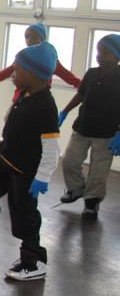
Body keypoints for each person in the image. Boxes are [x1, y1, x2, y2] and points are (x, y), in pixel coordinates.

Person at [0, 42, 60, 282]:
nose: (12, 73)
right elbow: (16, 125)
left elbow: (51, 146)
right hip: (5, 159)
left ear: (34, 74)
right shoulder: (25, 93)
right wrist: (2, 143)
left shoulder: (45, 105)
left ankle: (34, 260)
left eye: (17, 69)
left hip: (25, 171)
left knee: (23, 213)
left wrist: (42, 177)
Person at [57, 33, 120, 220]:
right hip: (82, 128)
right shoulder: (91, 73)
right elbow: (80, 94)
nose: (100, 56)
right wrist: (65, 111)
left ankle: (92, 202)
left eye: (105, 52)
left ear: (117, 55)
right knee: (69, 161)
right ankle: (75, 188)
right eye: (98, 52)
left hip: (107, 133)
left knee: (98, 172)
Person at [0, 22, 81, 101]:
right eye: (26, 37)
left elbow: (66, 75)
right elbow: (10, 70)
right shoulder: (24, 56)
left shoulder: (49, 59)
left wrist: (81, 85)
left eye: (31, 36)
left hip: (37, 97)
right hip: (21, 97)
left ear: (41, 38)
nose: (28, 40)